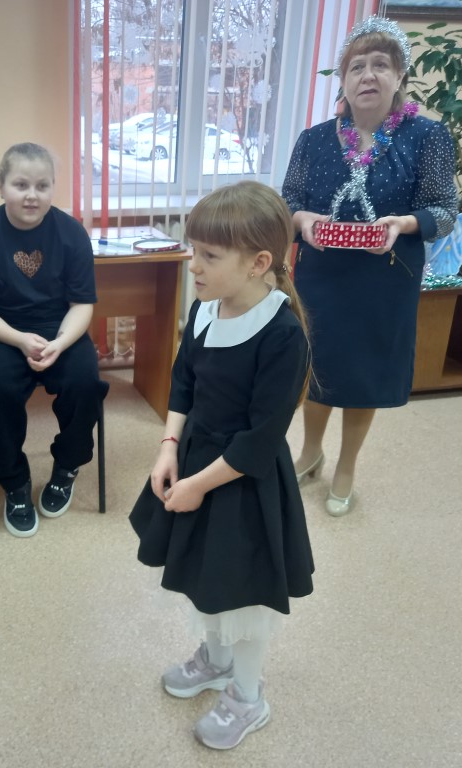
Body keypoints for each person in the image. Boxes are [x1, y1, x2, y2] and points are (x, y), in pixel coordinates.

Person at [129, 182, 314, 750]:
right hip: (195, 463)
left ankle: (248, 697)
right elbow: (184, 381)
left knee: (245, 596)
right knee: (205, 575)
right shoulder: (204, 310)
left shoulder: (282, 334)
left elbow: (260, 440)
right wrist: (168, 447)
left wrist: (197, 486)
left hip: (241, 481)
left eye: (209, 255)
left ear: (259, 263)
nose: (194, 265)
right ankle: (215, 660)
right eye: (194, 250)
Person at [281, 16, 457, 516]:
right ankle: (311, 451)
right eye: (357, 66)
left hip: (386, 279)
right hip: (320, 277)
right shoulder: (314, 139)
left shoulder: (428, 136)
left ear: (399, 76)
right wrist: (302, 219)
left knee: (365, 374)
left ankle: (347, 465)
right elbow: (287, 201)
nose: (368, 75)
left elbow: (445, 209)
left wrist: (405, 223)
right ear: (343, 79)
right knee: (318, 366)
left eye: (381, 64)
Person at [0, 143, 108, 538]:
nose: (31, 195)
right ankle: (15, 480)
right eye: (20, 184)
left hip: (61, 330)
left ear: (53, 187)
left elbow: (82, 304)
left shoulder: (71, 233)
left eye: (42, 185)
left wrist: (59, 343)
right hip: (1, 332)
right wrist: (21, 340)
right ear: (1, 186)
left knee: (85, 380)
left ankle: (67, 466)